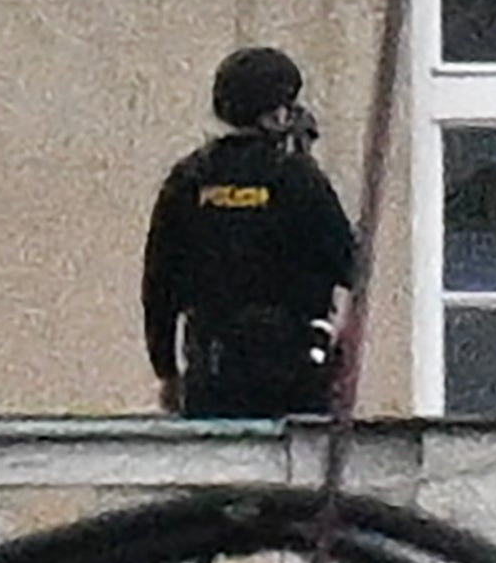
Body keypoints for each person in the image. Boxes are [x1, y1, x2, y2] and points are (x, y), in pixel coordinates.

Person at [142, 45, 358, 419]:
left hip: (213, 369)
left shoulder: (189, 179)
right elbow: (350, 265)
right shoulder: (297, 178)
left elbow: (158, 287)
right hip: (294, 369)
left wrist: (167, 372)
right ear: (275, 113)